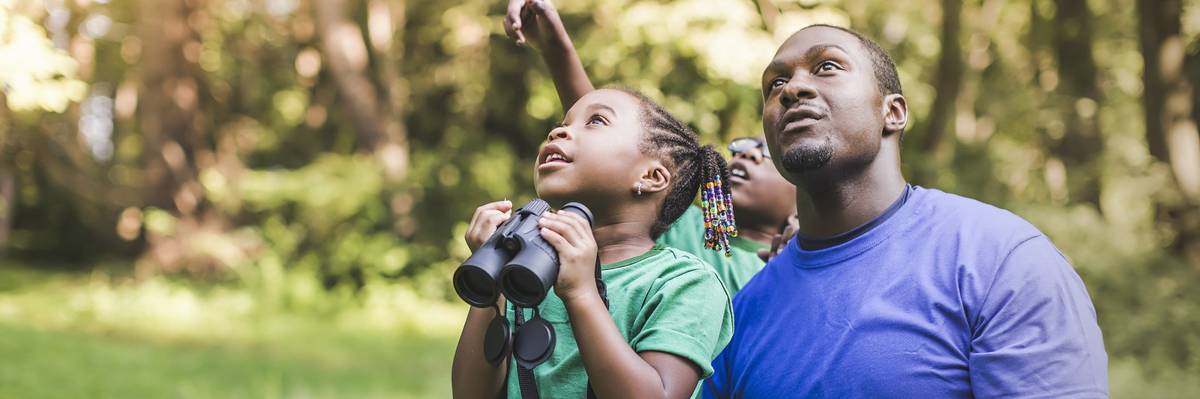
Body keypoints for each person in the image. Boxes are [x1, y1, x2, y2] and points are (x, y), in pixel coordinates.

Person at [702, 24, 1109, 397]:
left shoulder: (999, 258)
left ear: (892, 112)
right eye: (775, 84)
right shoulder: (743, 312)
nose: (791, 89)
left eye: (826, 67)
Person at [451, 87, 735, 398]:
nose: (558, 131)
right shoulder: (524, 270)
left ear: (652, 176)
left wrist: (581, 293)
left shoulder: (685, 283)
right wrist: (488, 288)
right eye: (563, 122)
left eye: (596, 121)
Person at [504, 0, 796, 296]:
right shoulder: (689, 227)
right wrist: (556, 47)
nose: (745, 155)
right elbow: (612, 151)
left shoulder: (794, 266)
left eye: (766, 153)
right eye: (738, 149)